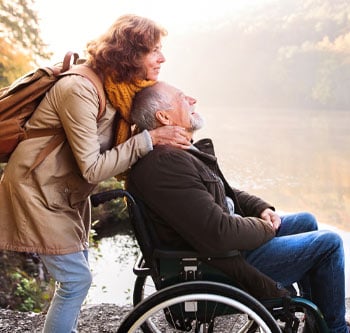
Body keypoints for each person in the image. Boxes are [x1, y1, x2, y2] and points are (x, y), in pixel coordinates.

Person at [0, 16, 191, 333]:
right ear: (130, 54)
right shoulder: (79, 89)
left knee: (75, 277)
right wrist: (148, 140)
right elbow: (92, 166)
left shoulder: (119, 91)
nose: (162, 58)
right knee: (76, 280)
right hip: (37, 191)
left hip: (64, 193)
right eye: (154, 50)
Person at [128, 81, 349, 333]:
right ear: (164, 117)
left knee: (306, 221)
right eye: (182, 98)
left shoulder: (178, 153)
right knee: (329, 244)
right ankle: (335, 330)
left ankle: (316, 324)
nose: (192, 99)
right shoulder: (165, 165)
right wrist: (264, 228)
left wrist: (261, 208)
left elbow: (223, 191)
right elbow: (218, 233)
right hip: (223, 263)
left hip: (226, 249)